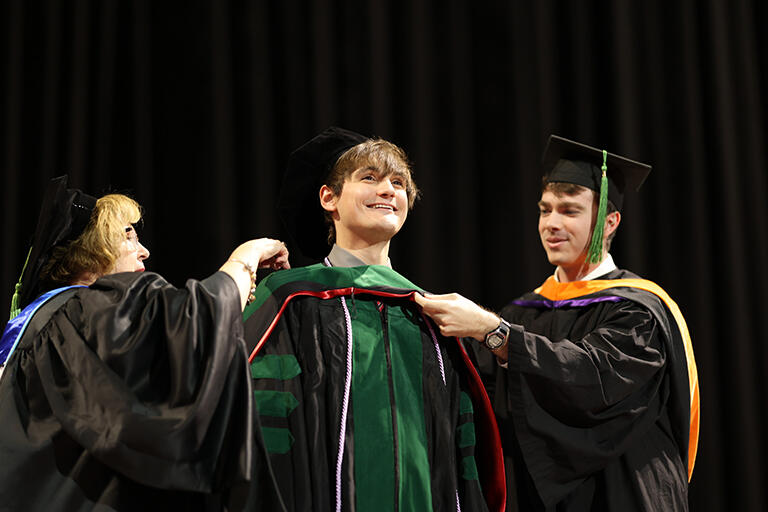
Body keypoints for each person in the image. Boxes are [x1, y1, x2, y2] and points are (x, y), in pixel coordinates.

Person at [415, 135, 700, 511]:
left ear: (610, 221)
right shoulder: (524, 312)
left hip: (628, 492)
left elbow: (589, 376)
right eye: (545, 209)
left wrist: (494, 333)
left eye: (569, 210)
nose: (551, 223)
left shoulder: (639, 311)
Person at [241, 127, 506, 511]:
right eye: (370, 178)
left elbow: (460, 448)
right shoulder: (290, 298)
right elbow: (260, 427)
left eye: (398, 183)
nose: (387, 190)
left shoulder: (431, 312)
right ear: (328, 198)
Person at [0, 175, 290, 510]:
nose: (144, 251)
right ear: (93, 250)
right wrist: (246, 257)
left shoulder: (42, 323)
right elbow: (196, 325)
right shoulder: (90, 311)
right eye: (129, 236)